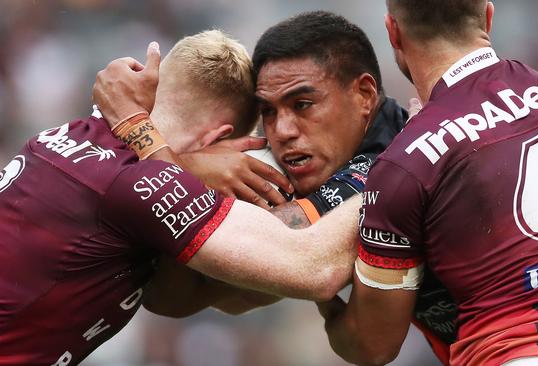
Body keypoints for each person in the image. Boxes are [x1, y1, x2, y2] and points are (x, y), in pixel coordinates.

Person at [93, 11, 538, 365]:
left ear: (365, 93)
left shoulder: (388, 170)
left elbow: (349, 323)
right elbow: (190, 295)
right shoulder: (531, 84)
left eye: (303, 104)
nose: (283, 131)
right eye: (268, 113)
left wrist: (159, 158)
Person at [315, 1, 538, 365]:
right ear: (489, 16)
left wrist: (324, 301)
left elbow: (371, 345)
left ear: (392, 31)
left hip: (510, 355)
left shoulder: (402, 164)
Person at [0, 30, 362, 366]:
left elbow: (170, 298)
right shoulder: (138, 190)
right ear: (217, 138)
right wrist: (387, 168)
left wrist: (190, 166)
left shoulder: (56, 137)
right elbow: (316, 270)